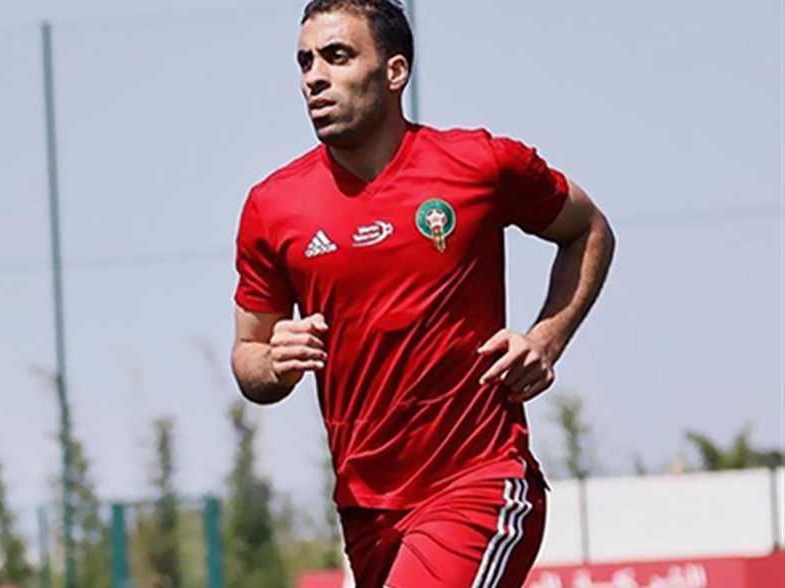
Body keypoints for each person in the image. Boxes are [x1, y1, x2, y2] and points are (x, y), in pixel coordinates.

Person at [231, 1, 615, 586]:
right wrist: (273, 363)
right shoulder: (272, 206)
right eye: (305, 61)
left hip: (479, 482)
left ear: (395, 71)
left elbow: (588, 230)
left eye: (337, 56)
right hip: (367, 512)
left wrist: (546, 338)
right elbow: (248, 355)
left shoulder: (479, 164)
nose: (314, 77)